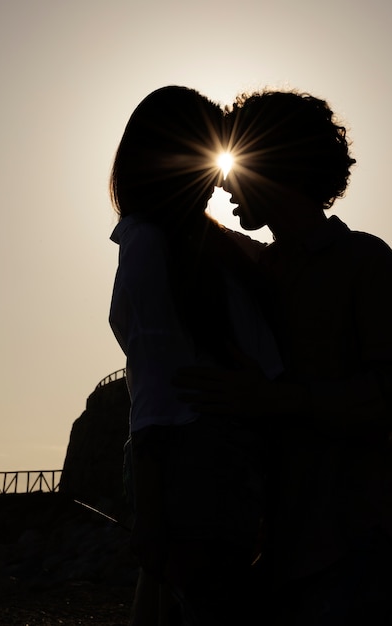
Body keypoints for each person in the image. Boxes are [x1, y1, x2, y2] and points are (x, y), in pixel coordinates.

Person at [175, 88, 392, 624]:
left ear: (274, 162)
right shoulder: (252, 271)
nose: (221, 182)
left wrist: (275, 400)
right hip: (281, 551)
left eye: (234, 164)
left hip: (359, 543)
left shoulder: (364, 262)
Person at [108, 85, 283, 625]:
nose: (217, 176)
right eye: (206, 158)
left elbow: (157, 395)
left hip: (216, 469)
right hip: (204, 470)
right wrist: (152, 519)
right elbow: (157, 393)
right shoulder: (159, 245)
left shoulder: (204, 246)